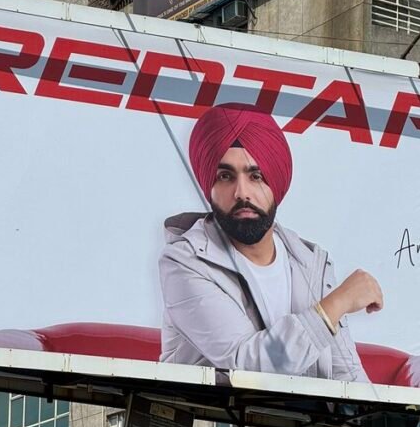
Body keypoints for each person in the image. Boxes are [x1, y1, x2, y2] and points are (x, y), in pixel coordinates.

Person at [158, 104, 383, 381]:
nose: (242, 193)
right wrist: (338, 303)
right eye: (225, 176)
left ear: (276, 183)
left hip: (301, 410)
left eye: (256, 176)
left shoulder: (310, 262)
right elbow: (248, 366)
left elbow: (346, 373)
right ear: (210, 188)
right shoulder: (184, 262)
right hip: (210, 409)